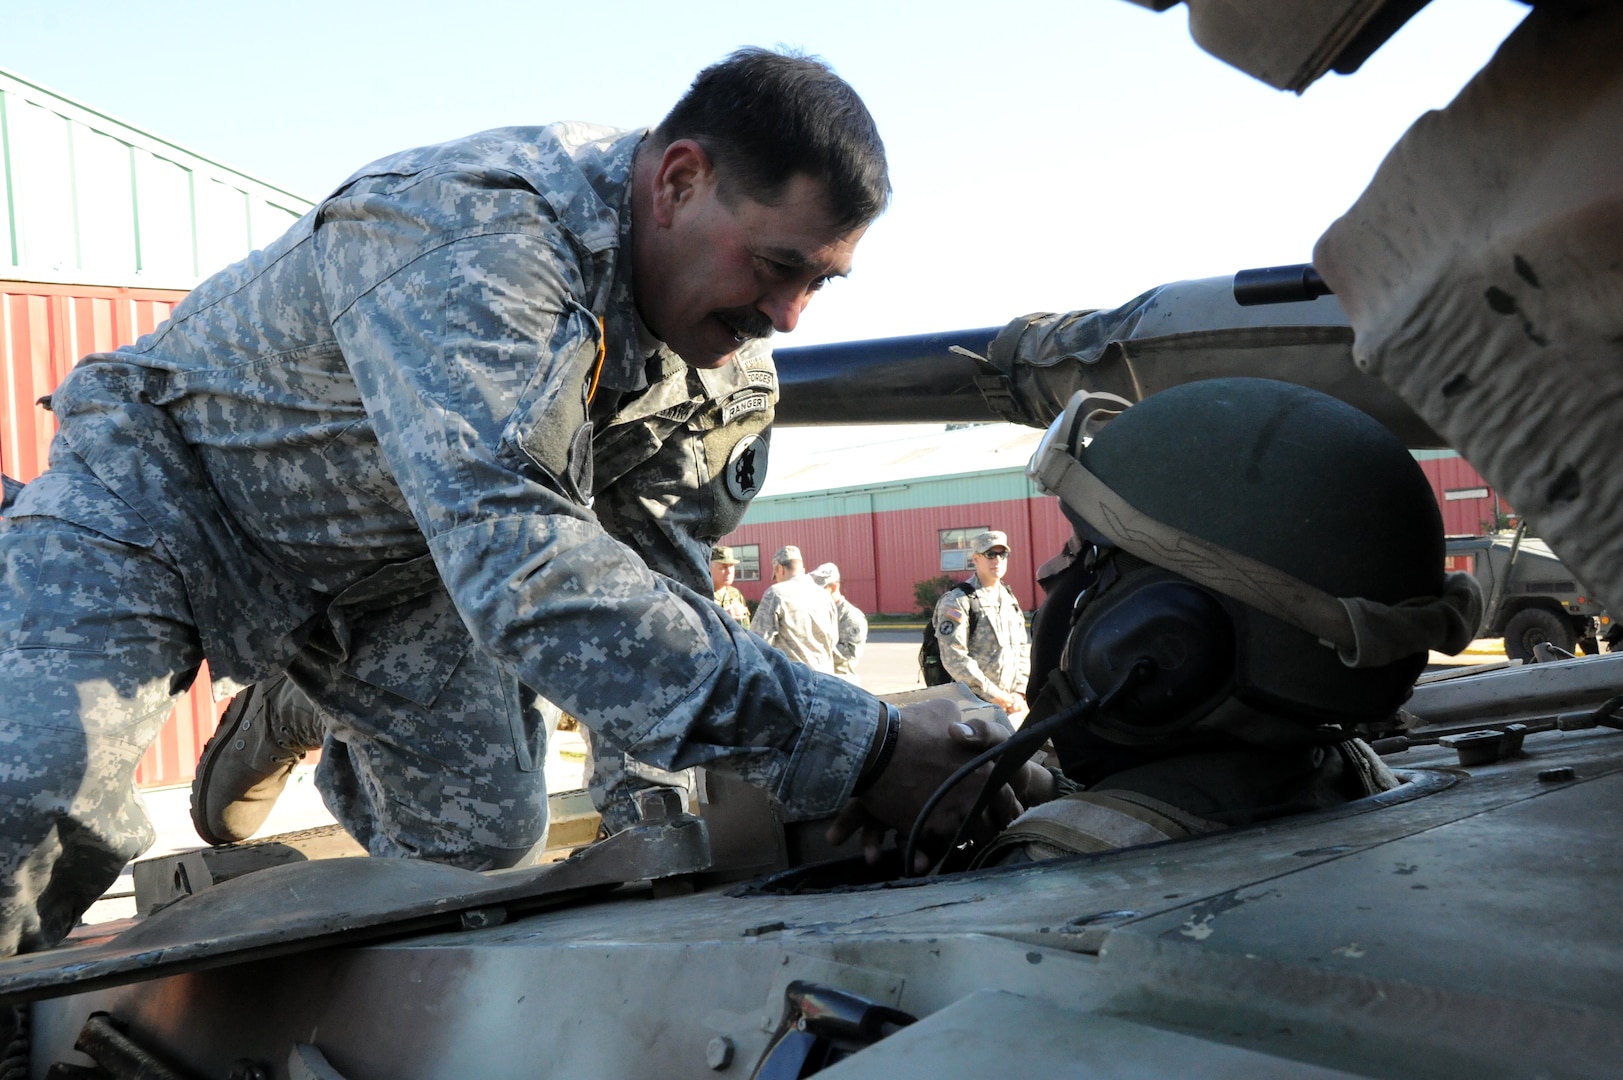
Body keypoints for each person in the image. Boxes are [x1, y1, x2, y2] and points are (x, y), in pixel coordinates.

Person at [0, 49, 1017, 957]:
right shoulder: (480, 233)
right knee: (31, 787)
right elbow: (529, 571)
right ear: (679, 182)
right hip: (171, 495)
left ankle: (306, 692)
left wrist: (669, 838)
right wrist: (862, 745)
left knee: (481, 849)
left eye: (822, 286)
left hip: (410, 575)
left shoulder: (731, 378)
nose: (787, 317)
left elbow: (651, 601)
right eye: (778, 265)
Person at [966, 379, 1482, 867]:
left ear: (1168, 640)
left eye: (1082, 552)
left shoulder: (1049, 874)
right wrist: (1058, 792)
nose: (1052, 572)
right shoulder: (1354, 772)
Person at [933, 531, 1031, 725]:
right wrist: (993, 694)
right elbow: (954, 656)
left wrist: (1019, 692)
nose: (997, 560)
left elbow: (1021, 648)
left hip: (1011, 706)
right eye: (990, 554)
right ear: (976, 559)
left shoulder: (1009, 598)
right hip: (973, 706)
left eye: (1002, 555)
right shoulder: (958, 600)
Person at [751, 545, 840, 673]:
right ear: (802, 569)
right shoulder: (825, 595)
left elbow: (758, 642)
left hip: (794, 680)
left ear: (780, 569)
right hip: (825, 679)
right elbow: (833, 640)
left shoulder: (776, 593)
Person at [811, 562, 867, 683]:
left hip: (843, 682)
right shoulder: (818, 612)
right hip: (822, 679)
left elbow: (850, 653)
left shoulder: (851, 616)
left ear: (834, 588)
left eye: (820, 589)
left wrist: (814, 647)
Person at [710, 545, 752, 629]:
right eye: (723, 567)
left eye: (731, 566)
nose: (729, 572)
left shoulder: (735, 594)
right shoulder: (702, 594)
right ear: (709, 568)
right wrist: (724, 617)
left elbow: (746, 629)